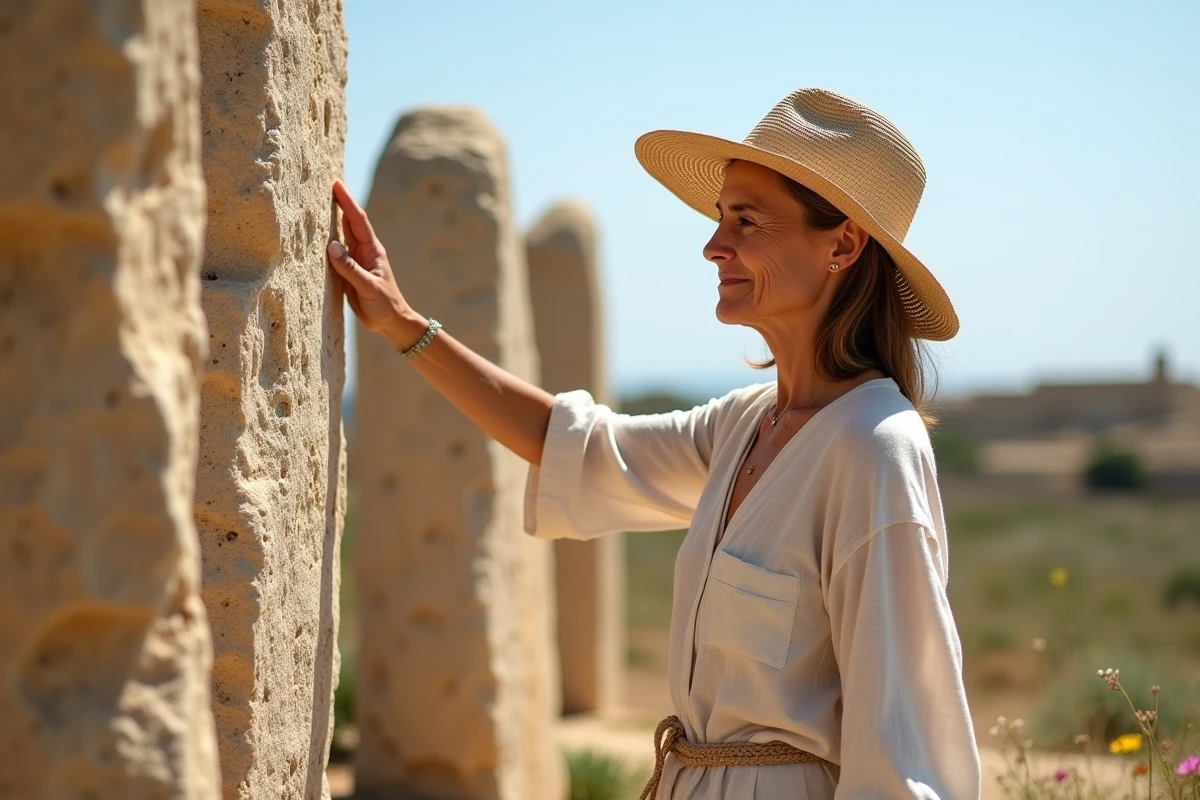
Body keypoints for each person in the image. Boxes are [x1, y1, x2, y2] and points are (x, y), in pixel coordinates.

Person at [327, 88, 982, 799]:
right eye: (720, 217)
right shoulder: (743, 425)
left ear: (844, 245)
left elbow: (905, 746)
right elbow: (573, 445)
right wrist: (401, 325)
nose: (713, 244)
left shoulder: (874, 450)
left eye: (747, 221)